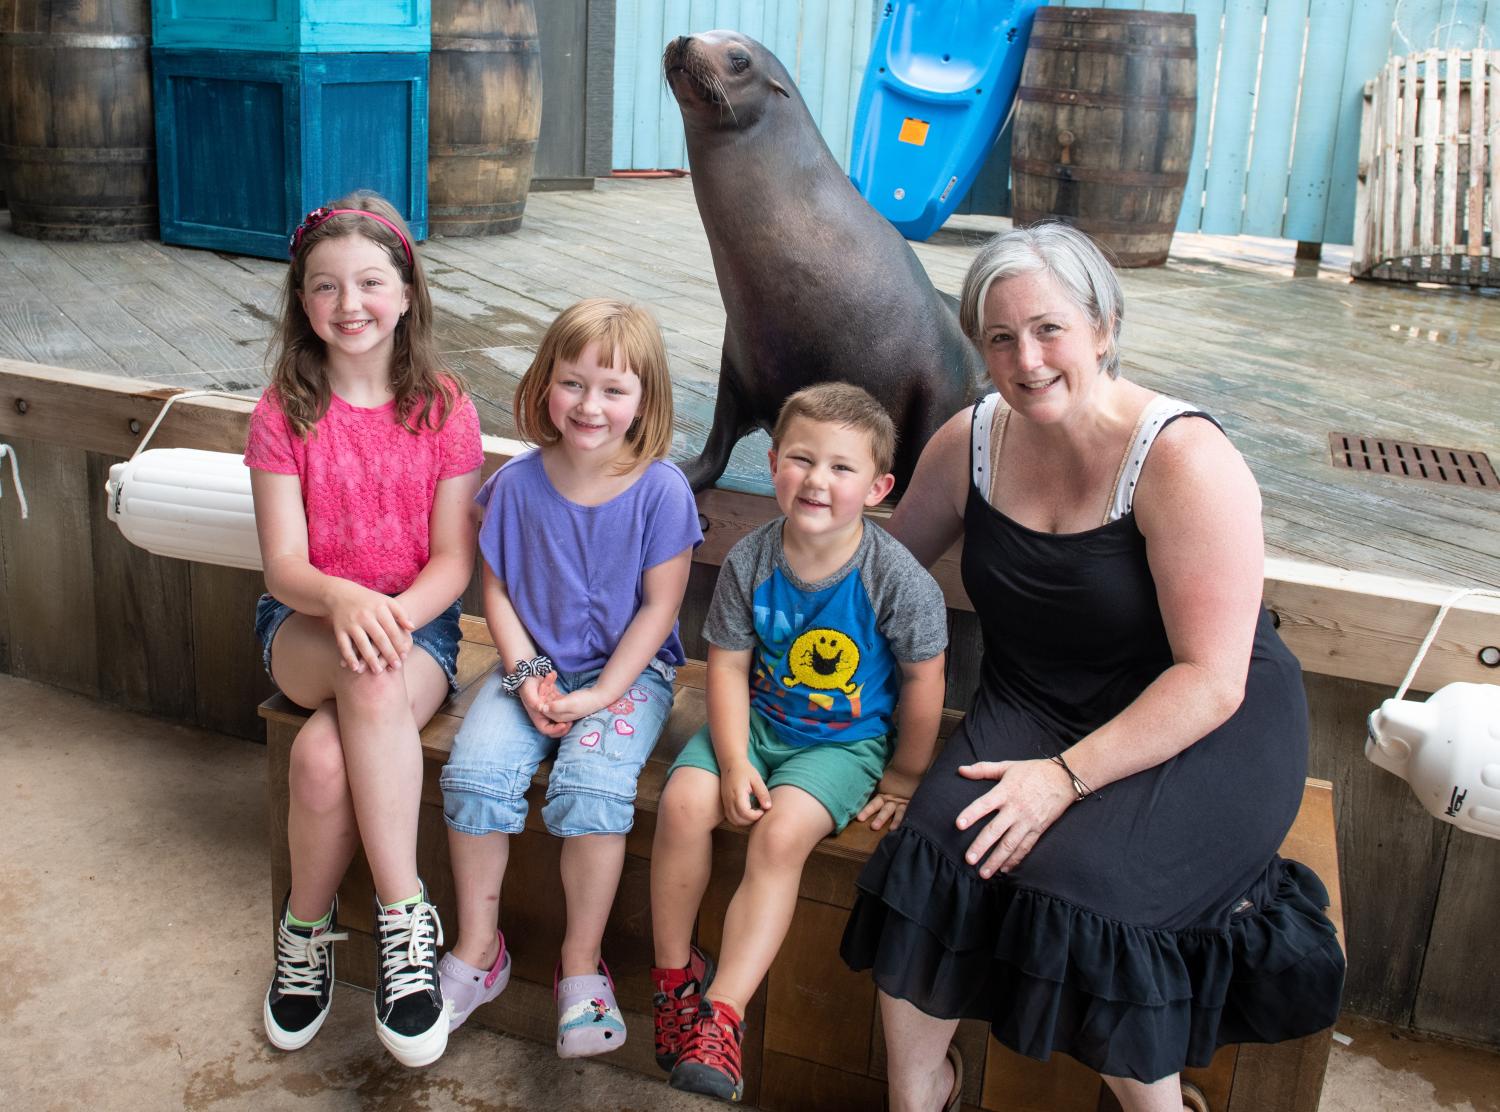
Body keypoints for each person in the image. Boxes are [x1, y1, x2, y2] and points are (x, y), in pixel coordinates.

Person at [840, 224, 1346, 1112]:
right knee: (933, 853)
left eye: (1048, 329)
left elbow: (1213, 678)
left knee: (1085, 893)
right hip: (1035, 700)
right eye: (1000, 338)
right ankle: (919, 1093)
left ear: (1103, 325)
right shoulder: (970, 442)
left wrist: (1062, 782)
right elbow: (883, 573)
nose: (1025, 359)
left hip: (1198, 720)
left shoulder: (1183, 457)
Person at [651, 383, 949, 1103]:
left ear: (878, 486)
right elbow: (725, 666)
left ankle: (724, 1016)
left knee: (781, 835)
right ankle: (673, 982)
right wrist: (732, 759)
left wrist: (906, 777)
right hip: (755, 724)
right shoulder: (753, 559)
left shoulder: (893, 578)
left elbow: (924, 681)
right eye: (801, 459)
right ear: (774, 460)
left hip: (843, 747)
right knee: (682, 804)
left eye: (842, 468)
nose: (818, 480)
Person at [247, 192, 484, 1067]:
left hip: (417, 632)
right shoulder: (284, 410)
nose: (350, 305)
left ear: (407, 291)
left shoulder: (447, 408)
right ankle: (405, 920)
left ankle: (306, 933)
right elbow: (284, 566)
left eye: (370, 282)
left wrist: (389, 618)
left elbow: (454, 562)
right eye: (326, 286)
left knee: (319, 755)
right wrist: (344, 604)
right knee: (361, 673)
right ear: (301, 302)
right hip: (305, 625)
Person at [437, 298, 702, 1058]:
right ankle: (480, 949)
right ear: (544, 384)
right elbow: (497, 593)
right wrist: (527, 678)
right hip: (531, 667)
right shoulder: (516, 486)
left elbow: (659, 611)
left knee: (591, 787)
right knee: (476, 774)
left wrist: (596, 696)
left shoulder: (661, 491)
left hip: (630, 674)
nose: (590, 405)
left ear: (644, 399)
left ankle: (580, 968)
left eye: (614, 389)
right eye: (573, 383)